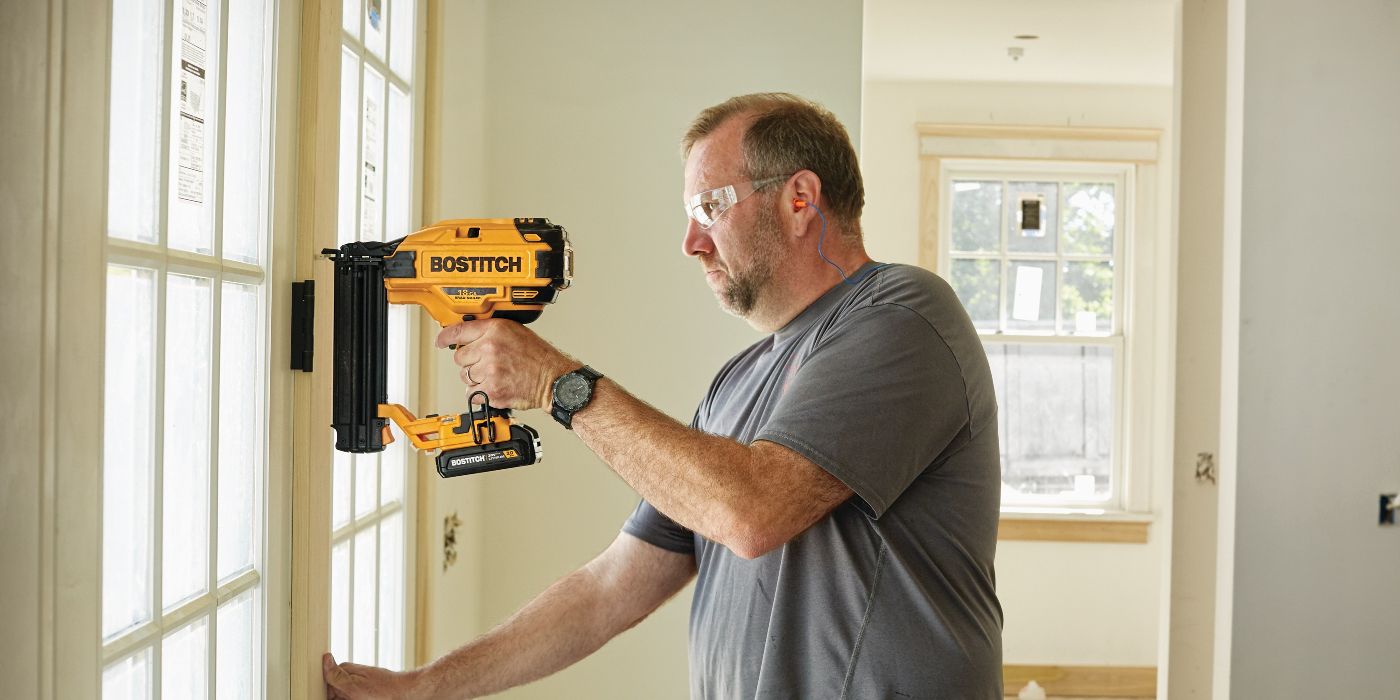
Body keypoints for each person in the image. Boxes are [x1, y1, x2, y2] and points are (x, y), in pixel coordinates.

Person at [323, 93, 1004, 699]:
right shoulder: (736, 384)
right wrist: (423, 688)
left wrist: (557, 383)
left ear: (800, 200)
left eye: (711, 206)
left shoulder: (905, 316)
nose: (691, 242)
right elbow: (609, 589)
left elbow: (752, 513)